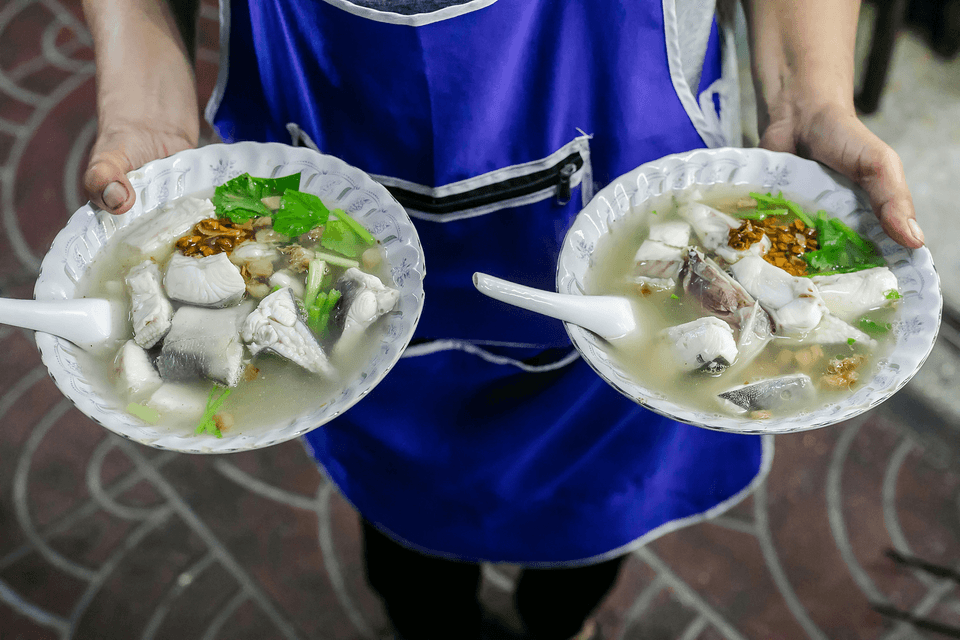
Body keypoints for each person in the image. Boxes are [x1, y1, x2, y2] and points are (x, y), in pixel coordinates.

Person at [80, 1, 924, 638]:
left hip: (641, 282)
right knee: (410, 561)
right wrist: (141, 82)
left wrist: (810, 94)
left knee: (583, 547)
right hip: (322, 275)